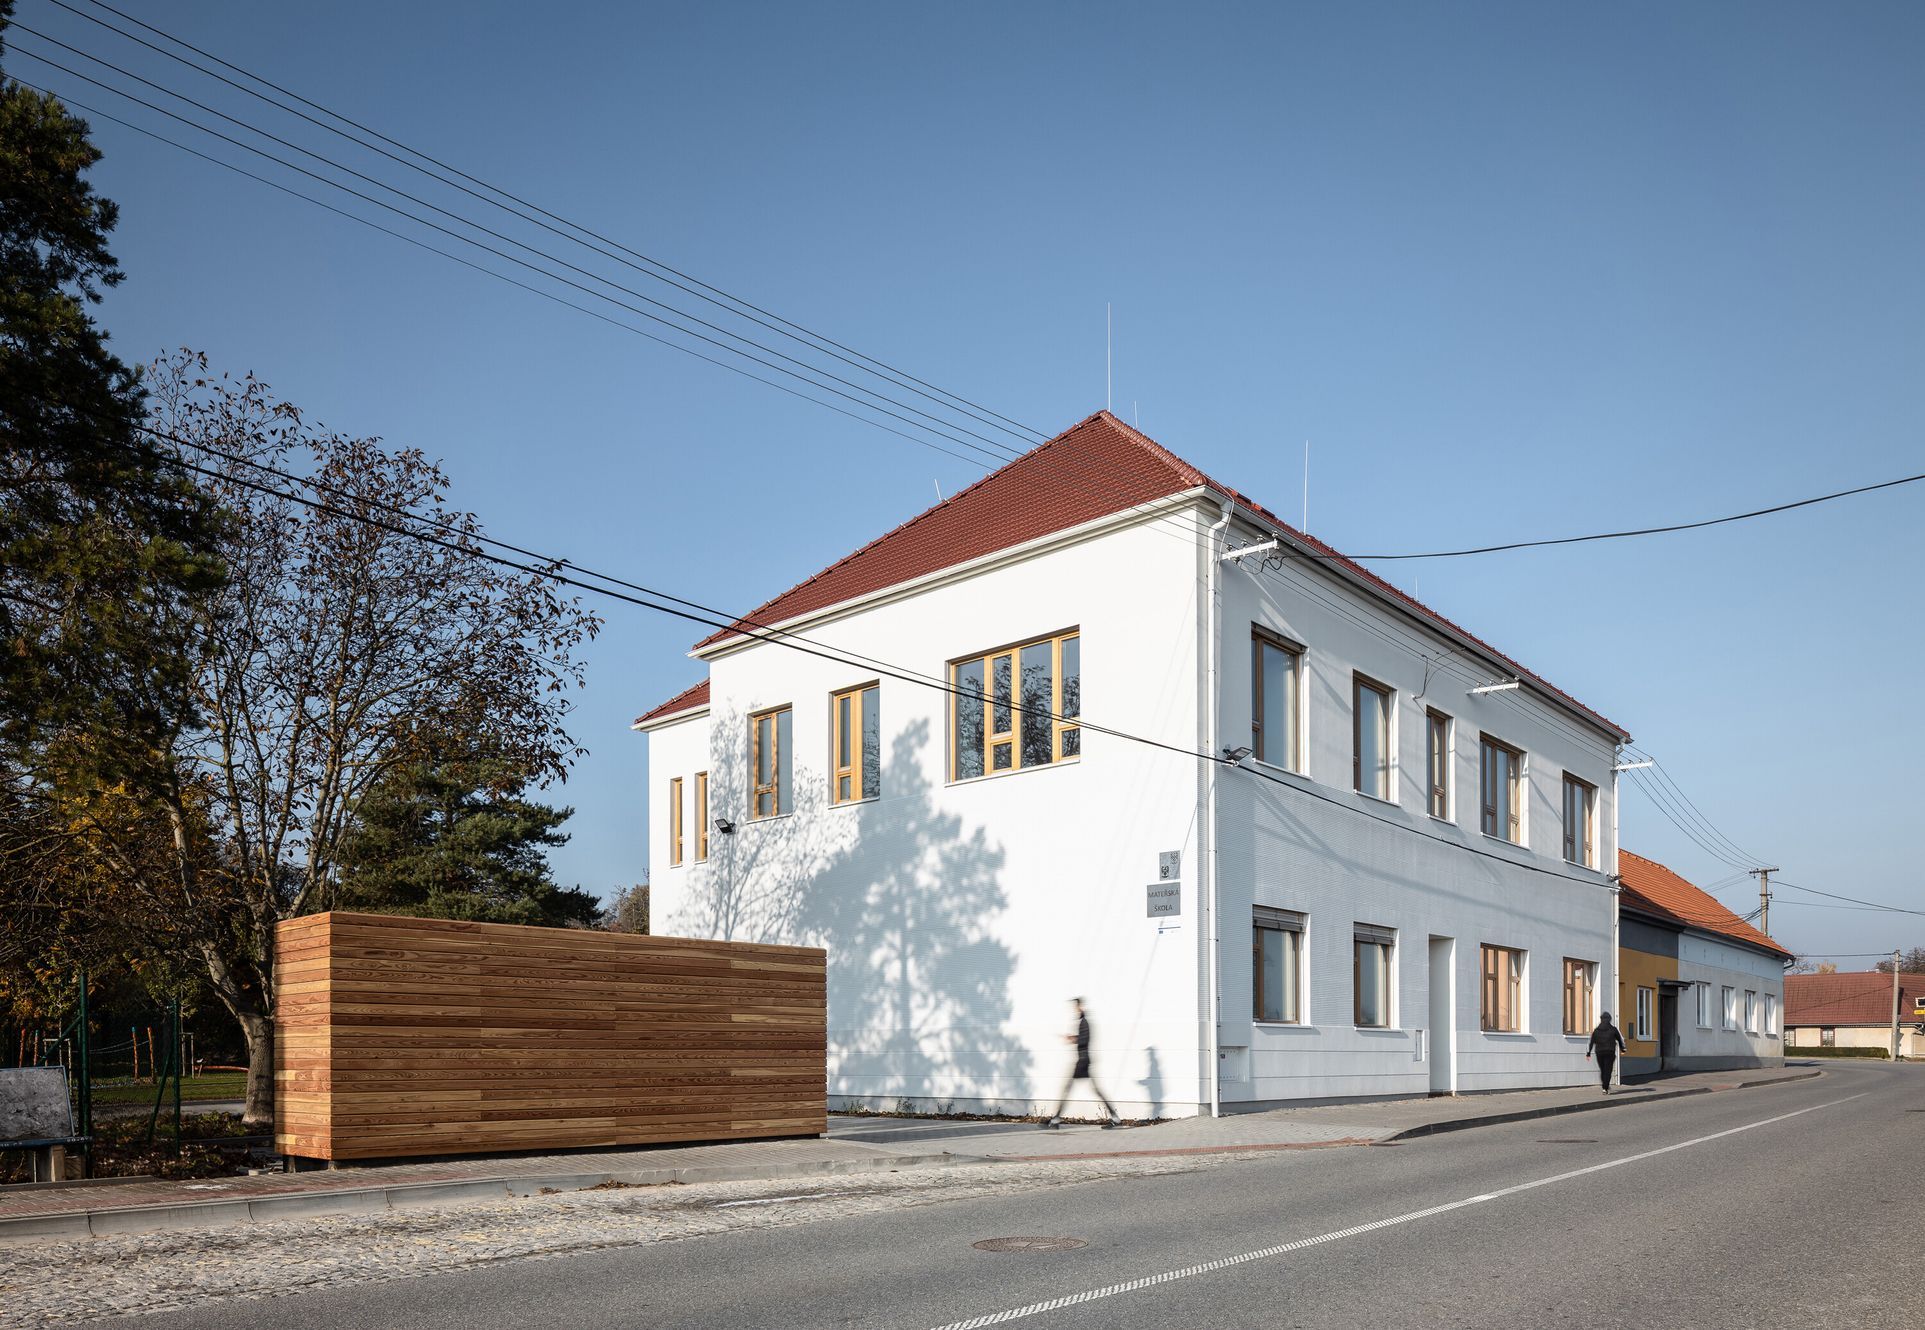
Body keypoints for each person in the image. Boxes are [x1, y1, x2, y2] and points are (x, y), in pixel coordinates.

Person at [1043, 997, 1121, 1128]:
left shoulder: (1084, 1022)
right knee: (1092, 1090)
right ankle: (1115, 1117)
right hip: (1084, 1060)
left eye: (1076, 1007)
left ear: (1080, 1007)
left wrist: (1072, 1038)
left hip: (1083, 1061)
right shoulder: (1083, 1021)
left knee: (1068, 1088)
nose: (1075, 1010)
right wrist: (1073, 1038)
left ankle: (1056, 1119)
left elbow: (1084, 1040)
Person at [1585, 1010, 1627, 1094]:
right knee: (1608, 1070)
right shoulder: (1613, 1029)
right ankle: (1605, 1087)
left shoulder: (1596, 1030)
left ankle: (1604, 1086)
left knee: (1603, 1070)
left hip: (1599, 1053)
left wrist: (1588, 1053)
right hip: (1609, 1052)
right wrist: (1622, 1049)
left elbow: (1591, 1042)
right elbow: (1619, 1039)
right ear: (1609, 1019)